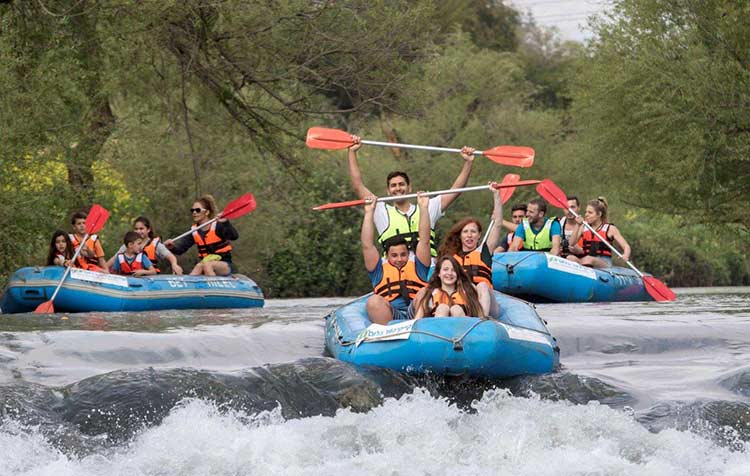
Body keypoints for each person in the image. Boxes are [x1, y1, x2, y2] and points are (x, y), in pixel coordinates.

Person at [347, 135, 474, 258]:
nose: (398, 188)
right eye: (393, 186)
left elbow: (455, 191)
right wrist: (352, 152)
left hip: (426, 271)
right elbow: (358, 186)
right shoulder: (381, 211)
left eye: (401, 184)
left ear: (409, 188)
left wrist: (468, 163)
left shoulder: (427, 206)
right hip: (397, 273)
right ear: (388, 191)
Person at [362, 192, 432, 325]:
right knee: (373, 301)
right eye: (394, 255)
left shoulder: (419, 266)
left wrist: (423, 208)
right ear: (387, 256)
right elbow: (367, 245)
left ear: (409, 254)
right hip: (391, 316)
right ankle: (388, 337)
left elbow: (424, 240)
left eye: (403, 255)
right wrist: (369, 212)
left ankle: (418, 331)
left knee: (424, 292)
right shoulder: (378, 271)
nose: (399, 259)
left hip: (416, 313)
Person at [436, 185, 502, 317]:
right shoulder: (451, 258)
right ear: (460, 236)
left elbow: (497, 224)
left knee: (482, 285)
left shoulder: (484, 251)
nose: (469, 235)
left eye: (473, 232)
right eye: (465, 232)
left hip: (484, 300)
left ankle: (482, 318)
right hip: (462, 302)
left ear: (479, 235)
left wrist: (496, 195)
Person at [164, 194, 239, 276]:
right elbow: (180, 250)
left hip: (225, 264)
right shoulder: (194, 231)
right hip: (205, 263)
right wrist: (171, 247)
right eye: (192, 210)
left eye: (198, 210)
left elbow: (234, 236)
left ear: (207, 212)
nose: (194, 212)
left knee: (207, 265)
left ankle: (213, 287)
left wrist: (226, 222)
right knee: (199, 266)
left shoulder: (218, 225)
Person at [566, 197, 631, 269]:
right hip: (585, 260)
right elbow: (571, 243)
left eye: (590, 212)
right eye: (586, 212)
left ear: (599, 214)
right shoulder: (583, 226)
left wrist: (625, 255)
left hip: (603, 262)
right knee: (570, 258)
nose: (586, 215)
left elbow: (626, 246)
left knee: (589, 259)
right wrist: (577, 225)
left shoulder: (610, 228)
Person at [413, 255, 485, 319]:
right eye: (445, 269)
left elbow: (477, 314)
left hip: (463, 329)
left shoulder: (467, 291)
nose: (449, 273)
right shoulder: (430, 294)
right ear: (439, 273)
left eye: (453, 270)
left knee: (456, 309)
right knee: (442, 308)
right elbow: (418, 319)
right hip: (435, 329)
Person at [106, 216, 183, 274]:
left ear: (148, 229)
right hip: (132, 278)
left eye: (141, 228)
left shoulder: (155, 244)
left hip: (150, 278)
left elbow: (170, 256)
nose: (138, 231)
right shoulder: (129, 245)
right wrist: (104, 268)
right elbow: (114, 259)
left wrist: (174, 264)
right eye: (136, 229)